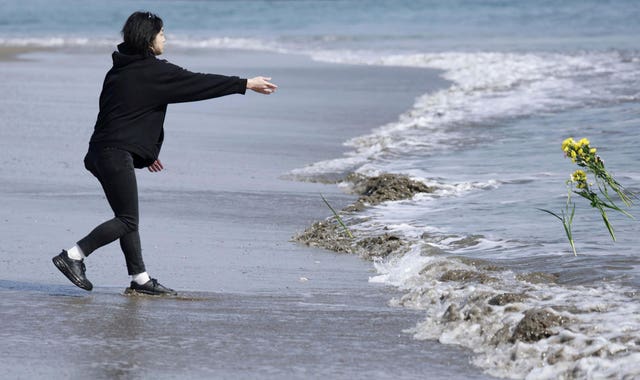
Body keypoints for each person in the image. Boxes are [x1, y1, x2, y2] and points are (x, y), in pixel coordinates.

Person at [52, 11, 277, 296]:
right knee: (128, 220)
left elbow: (124, 114)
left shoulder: (119, 71)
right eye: (161, 34)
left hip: (101, 153)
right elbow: (199, 83)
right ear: (148, 39)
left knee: (125, 217)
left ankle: (140, 279)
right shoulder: (155, 72)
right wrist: (245, 83)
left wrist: (142, 152)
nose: (165, 39)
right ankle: (73, 256)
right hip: (115, 154)